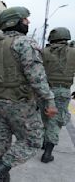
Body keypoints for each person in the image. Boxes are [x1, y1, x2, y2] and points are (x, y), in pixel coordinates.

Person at [0, 6, 58, 182]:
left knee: (2, 141)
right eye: (25, 19)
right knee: (33, 140)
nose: (28, 22)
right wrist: (49, 100)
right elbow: (36, 76)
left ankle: (0, 177)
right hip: (18, 102)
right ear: (14, 21)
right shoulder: (24, 43)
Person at [39, 27, 73, 163]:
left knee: (45, 118)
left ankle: (43, 143)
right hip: (63, 92)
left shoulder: (44, 52)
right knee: (56, 121)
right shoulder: (73, 52)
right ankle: (47, 153)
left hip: (45, 90)